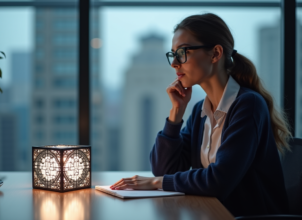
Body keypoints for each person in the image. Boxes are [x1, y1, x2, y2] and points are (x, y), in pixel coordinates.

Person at [110, 13, 291, 217]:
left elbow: (219, 181)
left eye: (182, 52)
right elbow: (164, 170)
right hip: (211, 213)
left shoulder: (248, 105)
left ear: (215, 54)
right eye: (172, 54)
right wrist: (176, 114)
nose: (174, 64)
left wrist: (154, 183)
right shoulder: (200, 111)